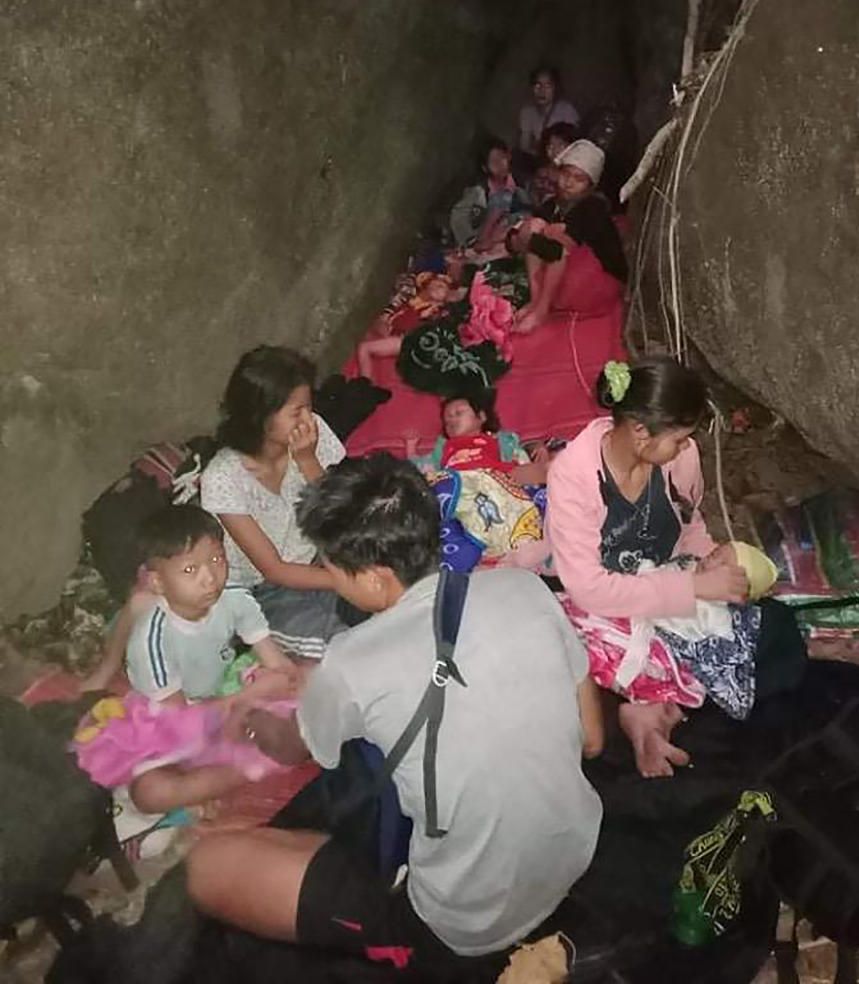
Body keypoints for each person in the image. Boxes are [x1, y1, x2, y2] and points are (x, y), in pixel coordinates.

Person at [186, 453, 603, 963]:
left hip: (463, 918)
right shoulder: (524, 588)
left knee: (207, 866)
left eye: (331, 567)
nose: (330, 577)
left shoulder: (350, 661)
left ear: (375, 579)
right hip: (574, 853)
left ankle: (395, 935)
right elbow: (593, 739)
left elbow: (293, 746)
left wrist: (257, 718)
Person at [546, 358, 803, 779]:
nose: (686, 448)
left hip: (666, 582)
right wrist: (695, 588)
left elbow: (689, 523)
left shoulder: (680, 461)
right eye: (679, 439)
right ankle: (652, 709)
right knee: (569, 670)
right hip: (603, 605)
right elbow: (589, 590)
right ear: (641, 431)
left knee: (773, 628)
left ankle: (652, 708)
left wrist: (716, 564)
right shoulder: (573, 477)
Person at [74, 505, 296, 816]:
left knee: (307, 701)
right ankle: (239, 769)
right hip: (173, 716)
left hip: (224, 690)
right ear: (157, 582)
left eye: (217, 560)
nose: (210, 579)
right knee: (151, 794)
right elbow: (181, 722)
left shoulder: (234, 599)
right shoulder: (150, 641)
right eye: (190, 570)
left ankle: (223, 774)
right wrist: (250, 697)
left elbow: (281, 666)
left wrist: (275, 683)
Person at [200, 346, 347, 661]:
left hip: (323, 559)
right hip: (267, 590)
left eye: (308, 406)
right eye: (296, 412)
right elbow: (274, 569)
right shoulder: (223, 477)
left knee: (396, 601)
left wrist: (307, 462)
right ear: (260, 417)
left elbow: (341, 513)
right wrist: (351, 579)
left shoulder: (313, 433)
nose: (308, 419)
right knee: (341, 645)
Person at [512, 139, 626, 334]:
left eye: (579, 179)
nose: (569, 183)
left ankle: (541, 312)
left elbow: (558, 246)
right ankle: (536, 300)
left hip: (603, 279)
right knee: (535, 229)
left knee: (553, 238)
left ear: (590, 185)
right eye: (566, 174)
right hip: (572, 269)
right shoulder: (554, 204)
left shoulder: (592, 207)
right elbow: (514, 241)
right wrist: (528, 230)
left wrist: (534, 235)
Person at [405, 391, 550, 486]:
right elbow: (423, 468)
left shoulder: (499, 439)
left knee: (544, 470)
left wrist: (537, 450)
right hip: (459, 483)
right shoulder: (445, 447)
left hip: (496, 479)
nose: (451, 419)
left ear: (481, 417)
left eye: (458, 413)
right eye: (447, 418)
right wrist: (411, 448)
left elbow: (518, 456)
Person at [448, 137, 528, 253]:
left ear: (509, 157)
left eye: (502, 158)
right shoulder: (477, 191)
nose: (501, 165)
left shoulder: (519, 186)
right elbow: (458, 216)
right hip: (478, 246)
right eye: (494, 162)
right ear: (485, 168)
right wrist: (472, 241)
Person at [517, 65, 580, 158]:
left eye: (547, 86)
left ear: (555, 88)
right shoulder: (527, 113)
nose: (542, 91)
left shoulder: (566, 110)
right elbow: (524, 146)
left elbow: (575, 145)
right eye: (537, 85)